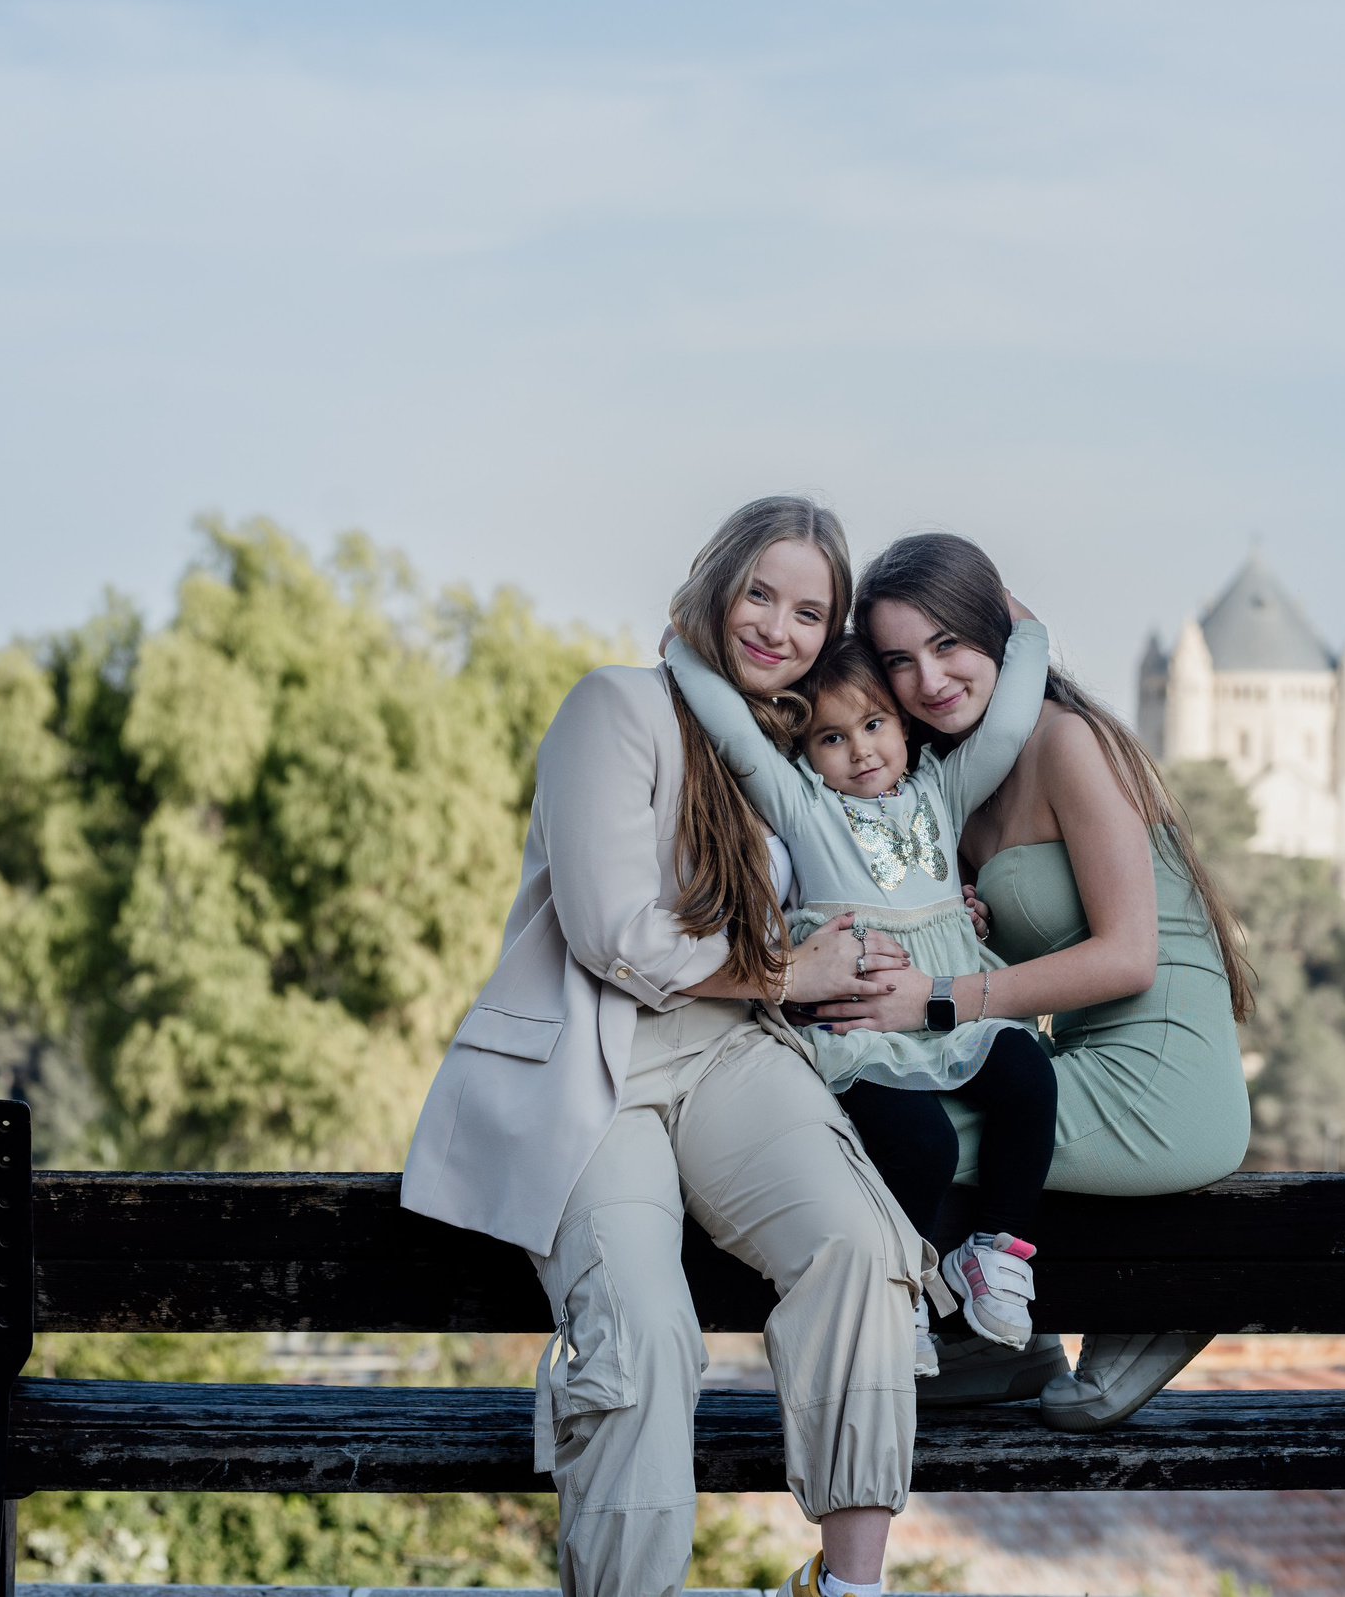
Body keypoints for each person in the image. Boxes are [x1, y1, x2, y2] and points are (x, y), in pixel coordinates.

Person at [401, 497, 928, 1597]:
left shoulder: (794, 753)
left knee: (860, 1247)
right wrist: (790, 970)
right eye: (760, 593)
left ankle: (849, 1587)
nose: (777, 626)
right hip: (601, 1067)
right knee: (643, 1337)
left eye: (808, 610)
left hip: (734, 1054)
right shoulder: (616, 707)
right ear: (718, 581)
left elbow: (878, 864)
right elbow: (613, 933)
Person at [815, 531, 1257, 1433]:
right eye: (900, 659)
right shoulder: (941, 787)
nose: (929, 679)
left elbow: (1129, 955)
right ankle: (1001, 1340)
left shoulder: (1065, 743)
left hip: (1163, 1080)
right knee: (910, 1105)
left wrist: (938, 992)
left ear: (997, 639)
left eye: (950, 644)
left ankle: (1162, 1297)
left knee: (876, 1129)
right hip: (1077, 1057)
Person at [664, 610, 1060, 1364]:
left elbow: (1006, 730)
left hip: (945, 1006)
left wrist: (1026, 630)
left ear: (905, 727)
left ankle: (997, 1253)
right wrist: (683, 648)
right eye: (831, 738)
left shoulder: (941, 793)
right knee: (922, 1143)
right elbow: (739, 739)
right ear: (807, 753)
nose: (859, 751)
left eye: (874, 724)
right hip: (860, 1028)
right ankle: (897, 1293)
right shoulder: (806, 807)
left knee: (1028, 1073)